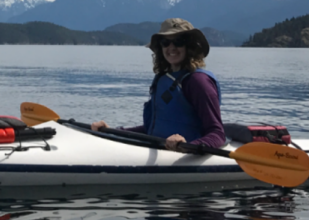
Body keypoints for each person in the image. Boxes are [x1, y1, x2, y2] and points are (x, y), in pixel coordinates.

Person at [92, 18, 225, 152]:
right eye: (165, 42)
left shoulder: (199, 82)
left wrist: (189, 147)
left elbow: (217, 134)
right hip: (161, 150)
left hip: (187, 154)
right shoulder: (163, 79)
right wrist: (112, 131)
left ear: (189, 46)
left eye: (179, 41)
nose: (171, 47)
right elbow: (152, 128)